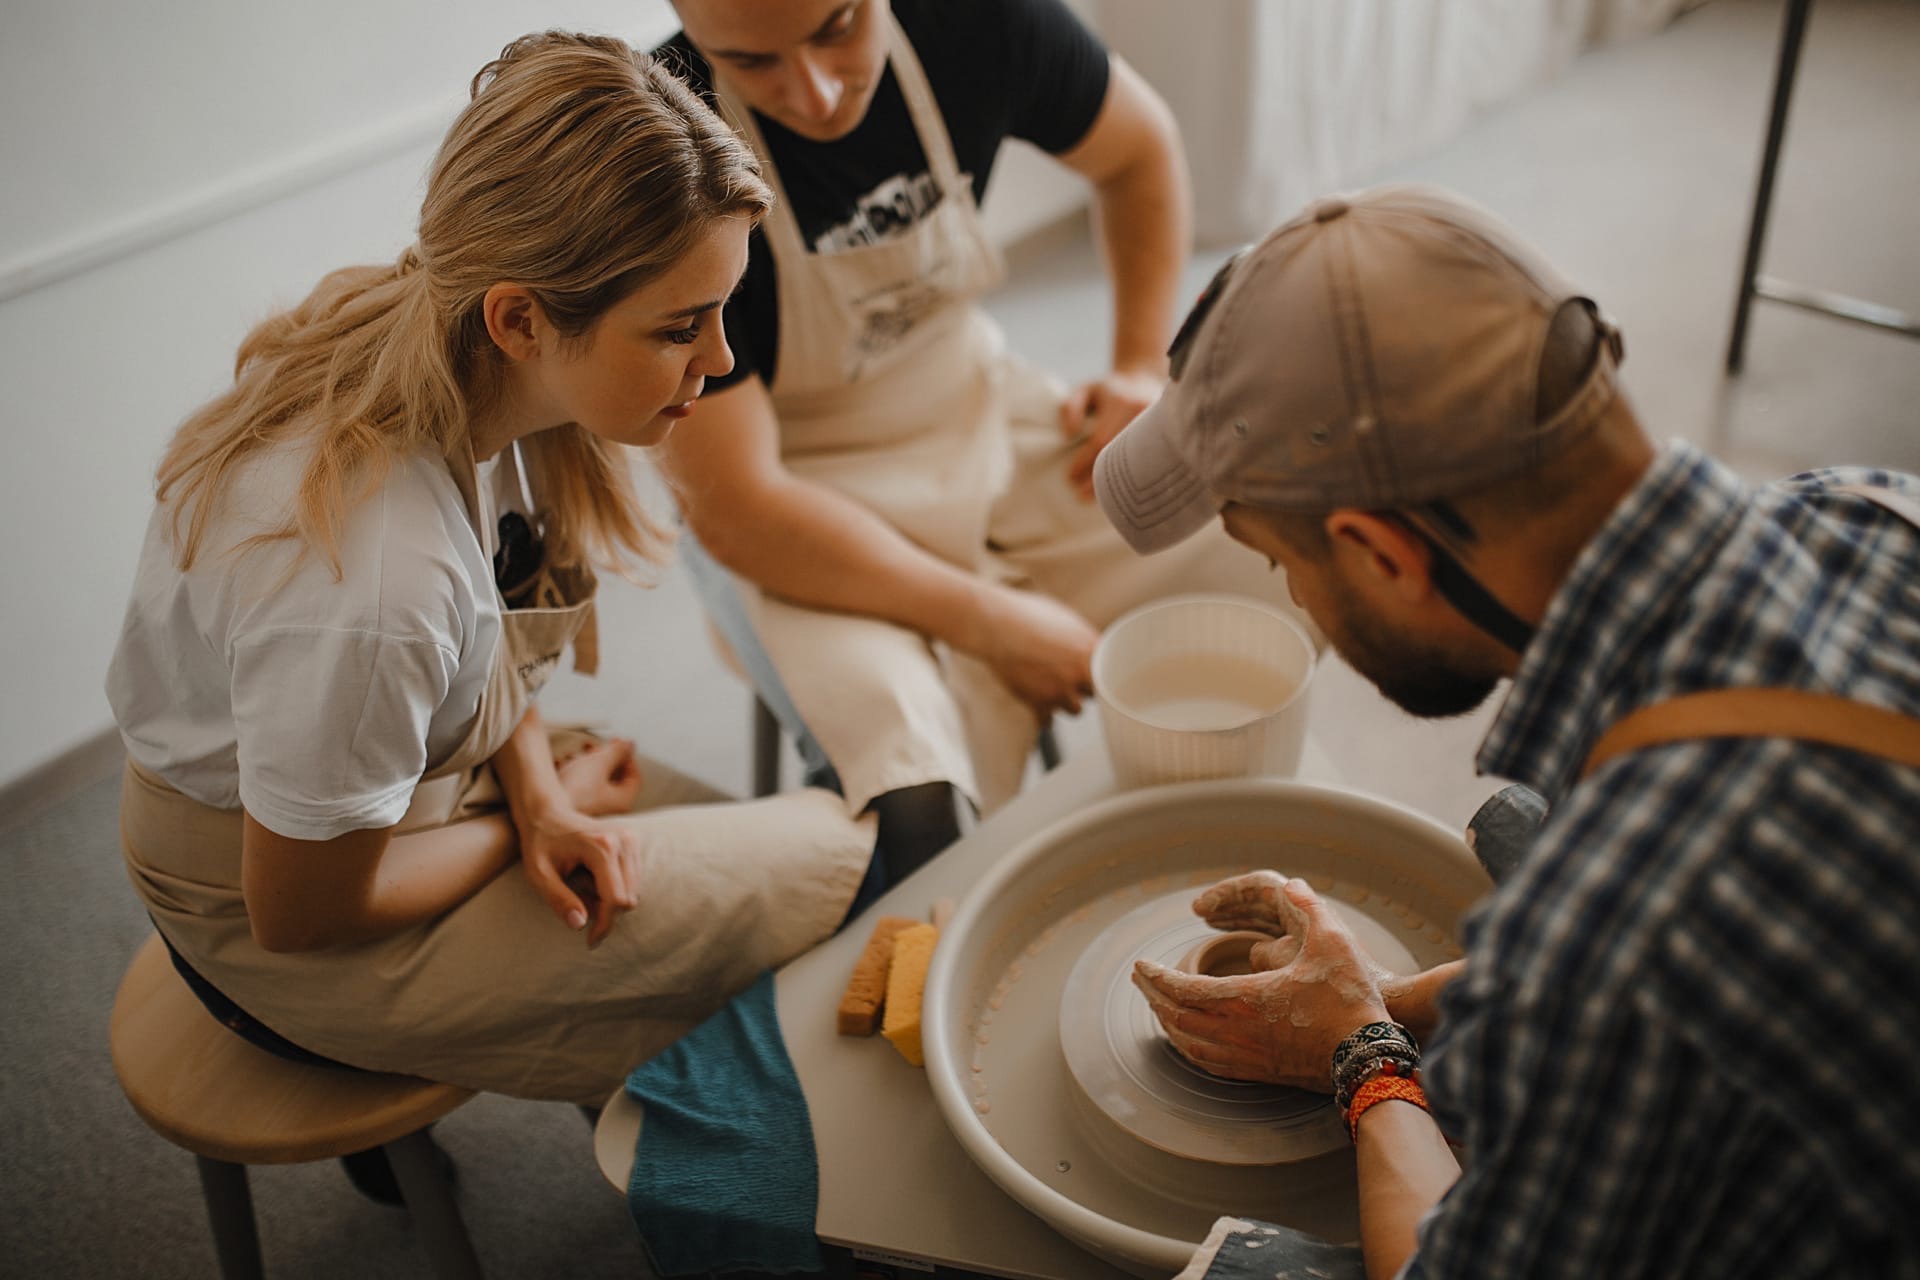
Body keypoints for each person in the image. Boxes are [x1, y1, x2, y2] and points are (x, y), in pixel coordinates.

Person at [1098, 185, 1920, 1277]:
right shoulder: (1864, 502)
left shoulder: (1614, 932)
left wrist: (1364, 1053)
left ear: (1385, 554)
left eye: (1278, 560)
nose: (1294, 596)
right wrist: (1376, 997)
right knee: (1525, 818)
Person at [106, 32, 877, 1110]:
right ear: (520, 318)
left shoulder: (455, 347)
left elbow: (496, 607)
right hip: (291, 913)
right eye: (678, 327)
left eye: (721, 311)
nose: (720, 360)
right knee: (852, 880)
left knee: (790, 861)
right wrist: (528, 815)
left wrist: (540, 795)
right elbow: (302, 911)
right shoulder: (371, 587)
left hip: (408, 787)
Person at [649, 0, 1315, 881]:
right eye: (752, 62)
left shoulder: (979, 22)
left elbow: (1139, 150)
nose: (811, 93)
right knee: (919, 813)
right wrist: (992, 622)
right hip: (790, 497)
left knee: (1274, 552)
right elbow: (739, 509)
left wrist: (1135, 370)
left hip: (975, 408)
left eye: (837, 28)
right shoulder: (659, 146)